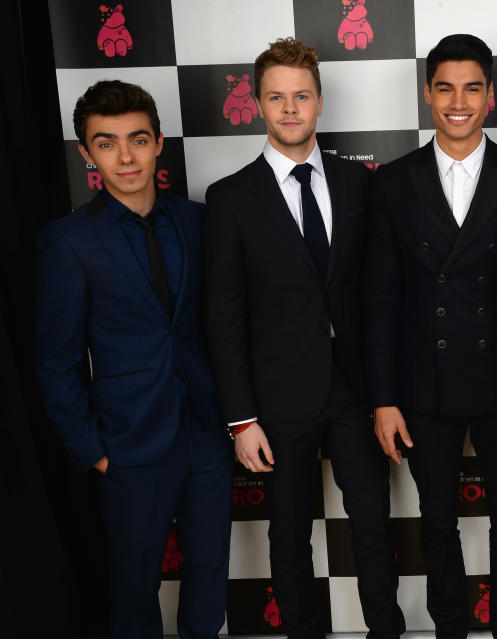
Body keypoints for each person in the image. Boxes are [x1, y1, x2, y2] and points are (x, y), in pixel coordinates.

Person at [203, 38, 403, 639]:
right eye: (276, 98)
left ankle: (385, 631)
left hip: (355, 392)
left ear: (319, 102)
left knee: (372, 524)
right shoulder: (230, 199)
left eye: (301, 96)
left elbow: (378, 296)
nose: (290, 109)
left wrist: (384, 394)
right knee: (289, 536)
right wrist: (241, 418)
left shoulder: (358, 183)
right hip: (276, 401)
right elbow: (224, 318)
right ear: (259, 105)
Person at [365, 33, 497, 639]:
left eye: (473, 87)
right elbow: (381, 298)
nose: (458, 100)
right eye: (445, 87)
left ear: (491, 96)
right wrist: (384, 398)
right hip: (422, 385)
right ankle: (450, 627)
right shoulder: (392, 182)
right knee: (437, 522)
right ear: (427, 94)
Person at [35, 80, 232, 638]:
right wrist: (92, 450)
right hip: (127, 442)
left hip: (206, 431)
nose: (125, 157)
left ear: (159, 142)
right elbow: (56, 361)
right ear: (85, 152)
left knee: (210, 572)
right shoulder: (67, 241)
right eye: (106, 142)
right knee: (134, 585)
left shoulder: (199, 221)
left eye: (138, 140)